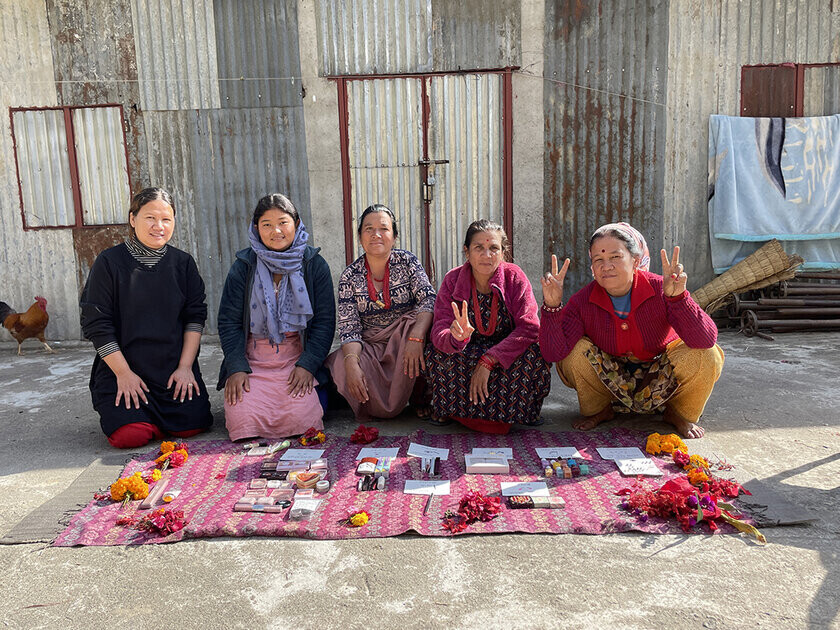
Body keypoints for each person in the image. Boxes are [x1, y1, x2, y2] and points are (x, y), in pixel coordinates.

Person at [539, 222, 724, 438]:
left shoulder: (661, 288)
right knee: (575, 351)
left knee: (707, 354)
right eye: (598, 259)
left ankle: (678, 413)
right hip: (611, 378)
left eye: (615, 257)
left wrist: (678, 299)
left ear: (635, 261)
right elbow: (554, 354)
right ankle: (600, 409)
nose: (606, 266)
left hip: (661, 375)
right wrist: (552, 307)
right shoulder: (583, 301)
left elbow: (706, 339)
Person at [80, 188, 213, 448]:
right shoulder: (109, 263)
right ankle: (137, 416)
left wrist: (186, 368)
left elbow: (195, 318)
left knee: (194, 425)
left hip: (172, 368)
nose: (159, 226)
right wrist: (124, 373)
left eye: (166, 219)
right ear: (133, 219)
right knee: (130, 436)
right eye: (150, 218)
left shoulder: (183, 263)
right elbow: (97, 324)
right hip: (125, 368)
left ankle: (159, 418)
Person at [217, 193, 335, 441]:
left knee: (301, 420)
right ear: (256, 228)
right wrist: (236, 367)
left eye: (283, 222)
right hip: (253, 359)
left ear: (297, 223)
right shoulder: (243, 266)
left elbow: (325, 323)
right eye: (267, 225)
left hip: (296, 357)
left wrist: (308, 365)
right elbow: (228, 322)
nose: (276, 231)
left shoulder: (314, 264)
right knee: (243, 417)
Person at [425, 219, 551, 434]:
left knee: (537, 352)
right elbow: (439, 331)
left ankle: (513, 411)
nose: (486, 255)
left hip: (506, 354)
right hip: (465, 352)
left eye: (494, 248)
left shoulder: (514, 278)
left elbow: (530, 328)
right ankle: (474, 411)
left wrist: (489, 361)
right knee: (435, 354)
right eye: (478, 248)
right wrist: (455, 336)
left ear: (503, 252)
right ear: (467, 252)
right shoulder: (452, 280)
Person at [326, 204, 436, 420]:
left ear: (394, 236)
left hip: (406, 338)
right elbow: (350, 328)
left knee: (428, 332)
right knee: (341, 362)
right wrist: (351, 363)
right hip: (372, 346)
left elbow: (428, 298)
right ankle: (373, 406)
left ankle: (419, 398)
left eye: (383, 229)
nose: (376, 234)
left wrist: (415, 337)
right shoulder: (350, 276)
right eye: (368, 229)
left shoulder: (407, 262)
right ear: (359, 237)